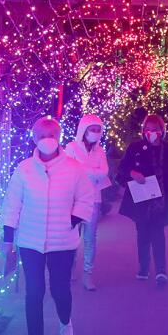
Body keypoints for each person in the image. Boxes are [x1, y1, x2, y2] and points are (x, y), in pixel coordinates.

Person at [1, 117, 96, 335]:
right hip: (30, 241)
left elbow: (86, 197)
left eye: (51, 134)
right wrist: (8, 240)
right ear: (33, 138)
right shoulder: (24, 170)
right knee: (34, 291)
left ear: (59, 137)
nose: (47, 139)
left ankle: (65, 320)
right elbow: (12, 204)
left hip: (62, 241)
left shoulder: (74, 168)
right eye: (41, 135)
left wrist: (74, 219)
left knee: (60, 290)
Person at [115, 114, 168, 285]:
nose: (151, 132)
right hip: (141, 198)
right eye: (148, 129)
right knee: (143, 233)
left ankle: (161, 270)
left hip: (162, 198)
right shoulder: (136, 147)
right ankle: (144, 267)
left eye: (155, 129)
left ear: (162, 131)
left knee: (158, 233)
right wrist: (133, 173)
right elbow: (123, 168)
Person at [64, 113, 109, 291]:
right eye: (93, 129)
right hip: (73, 200)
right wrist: (92, 172)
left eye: (99, 130)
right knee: (72, 237)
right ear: (84, 130)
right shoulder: (71, 147)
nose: (96, 133)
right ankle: (69, 270)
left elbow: (104, 172)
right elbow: (68, 169)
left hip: (93, 200)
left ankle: (87, 274)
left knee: (90, 238)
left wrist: (82, 170)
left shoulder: (100, 150)